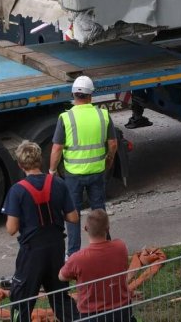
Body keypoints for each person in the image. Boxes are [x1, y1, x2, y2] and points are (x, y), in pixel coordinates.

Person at [2, 141, 78, 322]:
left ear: (20, 165)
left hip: (32, 253)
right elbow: (73, 218)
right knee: (60, 296)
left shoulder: (17, 190)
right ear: (41, 161)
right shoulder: (58, 183)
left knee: (22, 299)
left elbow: (11, 229)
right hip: (55, 248)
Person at [49, 75, 119, 256]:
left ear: (73, 94)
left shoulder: (66, 117)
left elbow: (57, 148)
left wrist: (52, 171)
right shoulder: (102, 114)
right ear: (91, 95)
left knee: (72, 214)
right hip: (97, 172)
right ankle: (106, 248)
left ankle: (73, 254)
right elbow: (112, 144)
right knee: (99, 211)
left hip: (73, 175)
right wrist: (108, 161)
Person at [59, 210, 132, 322]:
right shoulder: (120, 247)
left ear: (85, 229)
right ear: (108, 228)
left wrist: (77, 275)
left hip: (92, 315)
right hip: (122, 310)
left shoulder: (78, 258)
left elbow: (62, 276)